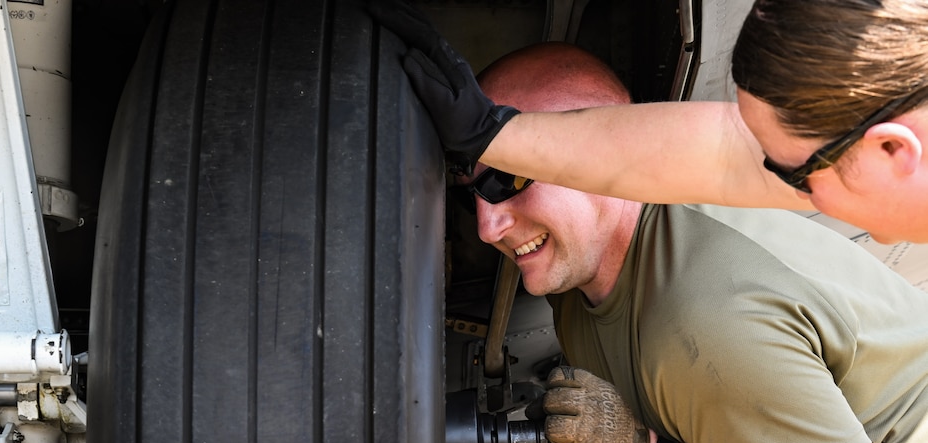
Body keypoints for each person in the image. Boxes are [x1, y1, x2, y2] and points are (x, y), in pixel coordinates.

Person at [454, 41, 928, 443]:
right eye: (473, 186)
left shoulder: (707, 315)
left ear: (598, 160)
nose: (485, 224)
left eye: (509, 179)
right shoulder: (584, 278)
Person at [370, 0, 928, 245]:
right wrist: (494, 135)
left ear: (892, 151)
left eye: (796, 176)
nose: (797, 192)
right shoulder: (847, 147)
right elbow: (720, 154)